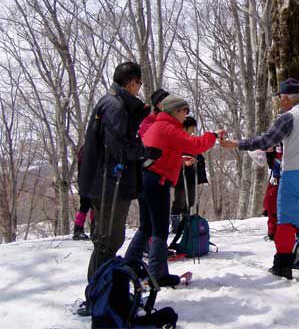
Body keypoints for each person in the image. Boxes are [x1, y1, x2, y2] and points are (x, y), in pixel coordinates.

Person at [220, 78, 299, 280]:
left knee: (287, 221)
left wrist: (236, 144)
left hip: (293, 174)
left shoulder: (288, 118)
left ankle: (282, 265)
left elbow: (266, 141)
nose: (280, 102)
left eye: (280, 98)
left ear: (285, 98)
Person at [124, 95, 224, 287]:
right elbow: (195, 145)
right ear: (175, 111)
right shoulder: (168, 127)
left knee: (146, 227)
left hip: (146, 179)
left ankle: (130, 265)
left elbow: (159, 154)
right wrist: (214, 136)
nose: (186, 116)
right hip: (156, 182)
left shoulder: (158, 126)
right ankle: (157, 275)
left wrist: (179, 161)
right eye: (184, 111)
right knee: (160, 229)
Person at [78, 62, 163, 283]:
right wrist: (146, 152)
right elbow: (119, 147)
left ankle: (103, 291)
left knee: (108, 240)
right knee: (109, 239)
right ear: (133, 83)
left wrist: (137, 114)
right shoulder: (114, 106)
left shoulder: (112, 103)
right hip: (109, 184)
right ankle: (98, 296)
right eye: (139, 84)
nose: (139, 89)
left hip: (105, 182)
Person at [170, 116, 209, 234]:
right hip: (181, 177)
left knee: (190, 201)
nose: (193, 130)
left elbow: (199, 154)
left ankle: (186, 223)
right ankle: (176, 225)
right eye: (191, 127)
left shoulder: (191, 140)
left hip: (191, 176)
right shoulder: (177, 139)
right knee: (180, 200)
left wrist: (198, 162)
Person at [73, 146, 94, 240]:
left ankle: (81, 229)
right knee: (87, 205)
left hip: (84, 181)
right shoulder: (87, 149)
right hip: (87, 181)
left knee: (89, 206)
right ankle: (79, 230)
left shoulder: (84, 148)